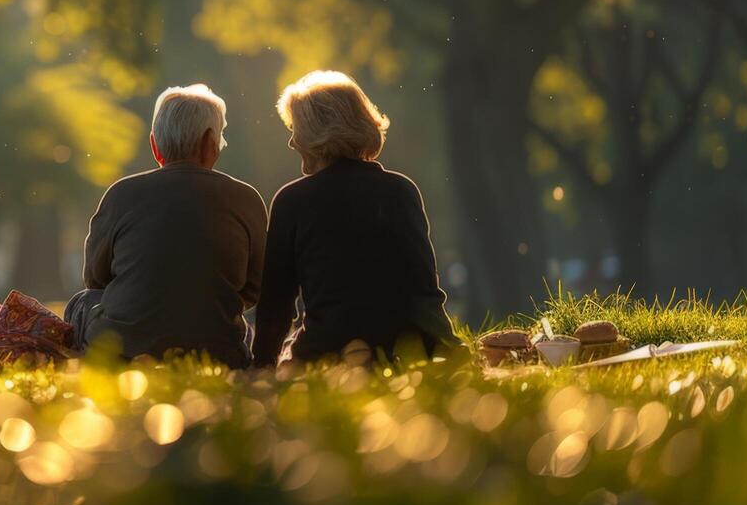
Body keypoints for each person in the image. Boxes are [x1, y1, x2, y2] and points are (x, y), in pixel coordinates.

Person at [253, 71, 454, 367]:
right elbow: (423, 290)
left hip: (328, 354)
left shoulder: (292, 200)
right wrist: (443, 347)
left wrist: (262, 364)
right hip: (407, 352)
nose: (291, 142)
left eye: (295, 128)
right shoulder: (401, 191)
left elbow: (276, 305)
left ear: (316, 133)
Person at [64, 84, 267, 366]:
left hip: (123, 351)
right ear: (210, 142)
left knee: (82, 302)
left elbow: (96, 279)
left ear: (154, 145)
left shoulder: (122, 194)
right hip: (217, 352)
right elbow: (253, 289)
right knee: (235, 323)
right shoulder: (247, 199)